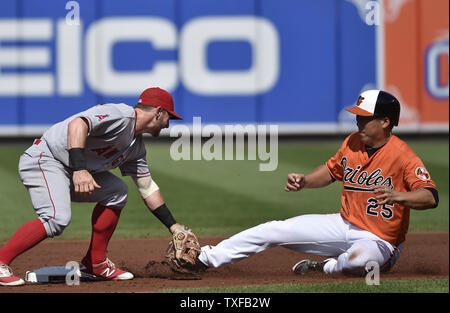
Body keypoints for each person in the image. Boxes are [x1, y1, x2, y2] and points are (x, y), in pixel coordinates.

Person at [188, 90, 439, 276]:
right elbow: (331, 172)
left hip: (380, 241)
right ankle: (204, 259)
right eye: (358, 117)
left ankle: (327, 267)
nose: (358, 122)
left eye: (365, 118)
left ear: (385, 122)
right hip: (343, 225)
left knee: (360, 262)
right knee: (275, 229)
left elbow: (430, 197)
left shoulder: (403, 155)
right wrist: (306, 180)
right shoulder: (353, 142)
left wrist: (398, 196)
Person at [0, 87, 194, 286]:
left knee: (118, 192)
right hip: (47, 159)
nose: (168, 124)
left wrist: (174, 226)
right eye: (169, 117)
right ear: (158, 112)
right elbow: (77, 124)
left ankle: (95, 263)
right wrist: (80, 169)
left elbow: (147, 187)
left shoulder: (135, 147)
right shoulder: (121, 115)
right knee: (56, 218)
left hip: (71, 170)